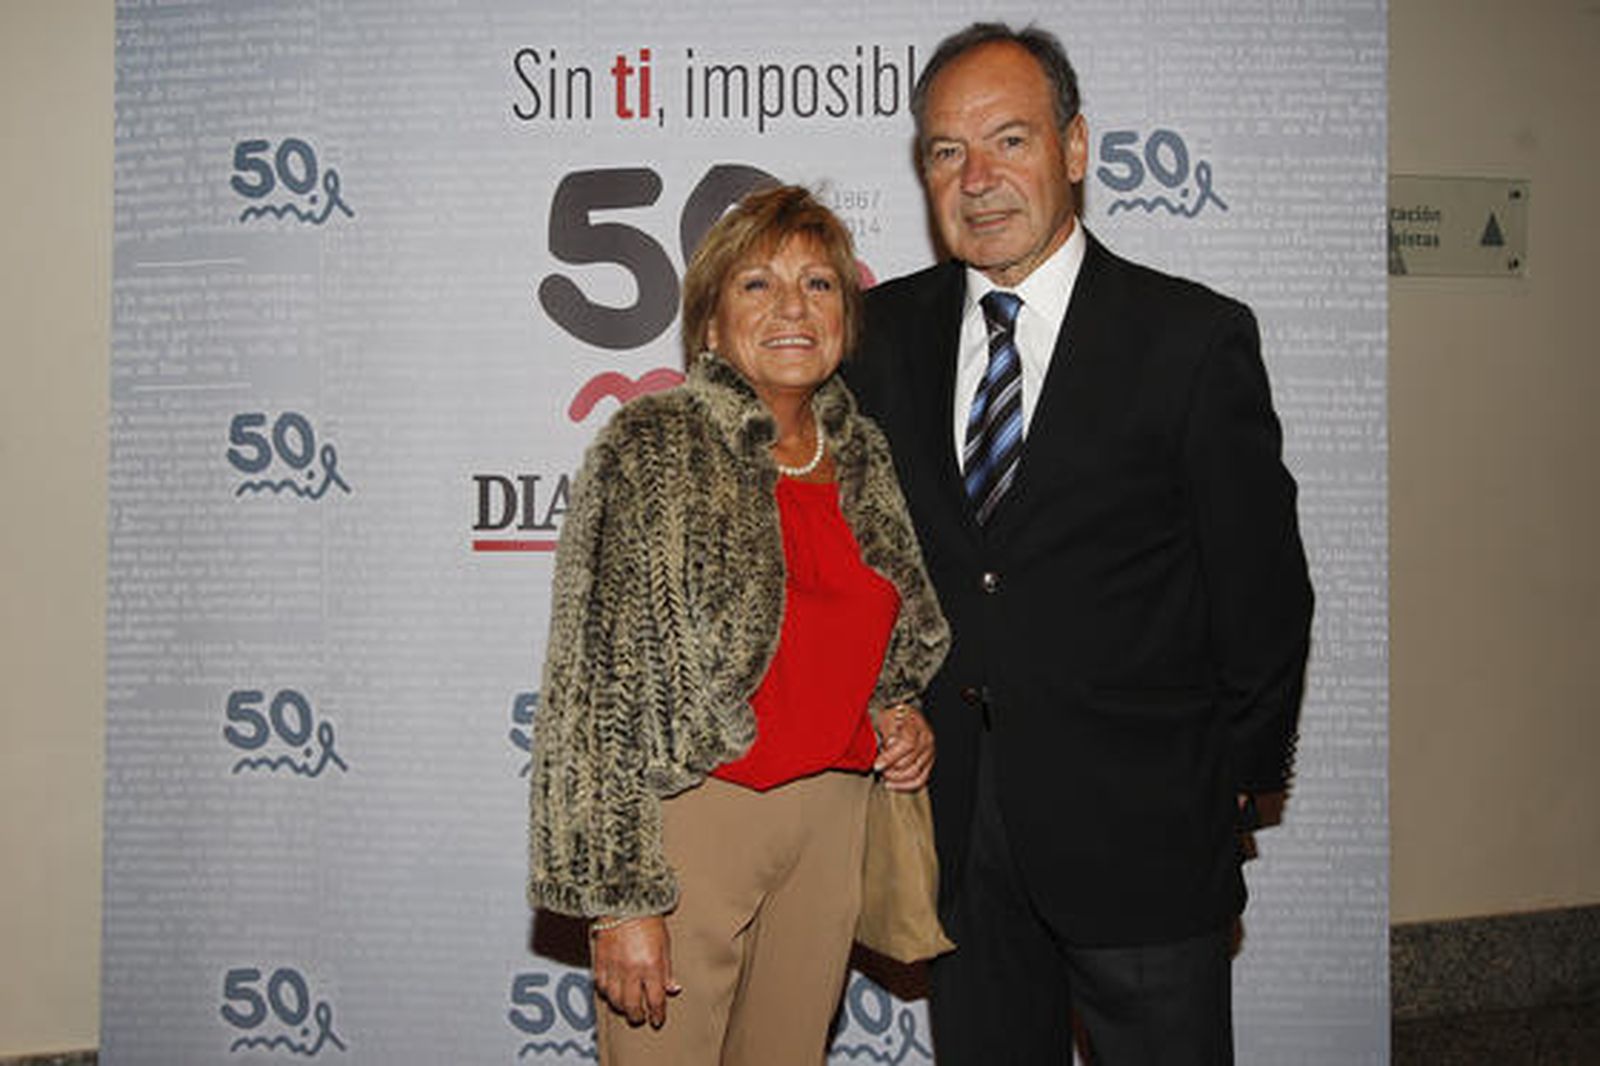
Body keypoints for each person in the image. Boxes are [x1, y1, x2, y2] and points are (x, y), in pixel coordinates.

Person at [845, 23, 1313, 1066]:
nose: (977, 179)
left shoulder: (1190, 339)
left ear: (1075, 148)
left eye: (1008, 140)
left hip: (1147, 834)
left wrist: (1226, 783)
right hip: (956, 834)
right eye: (947, 151)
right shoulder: (876, 337)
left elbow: (1265, 591)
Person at [528, 185, 950, 1066]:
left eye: (819, 284)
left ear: (845, 318)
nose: (793, 307)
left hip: (832, 822)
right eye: (758, 284)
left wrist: (898, 709)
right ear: (711, 326)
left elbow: (883, 631)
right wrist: (622, 897)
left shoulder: (864, 453)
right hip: (695, 823)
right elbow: (593, 692)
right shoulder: (653, 445)